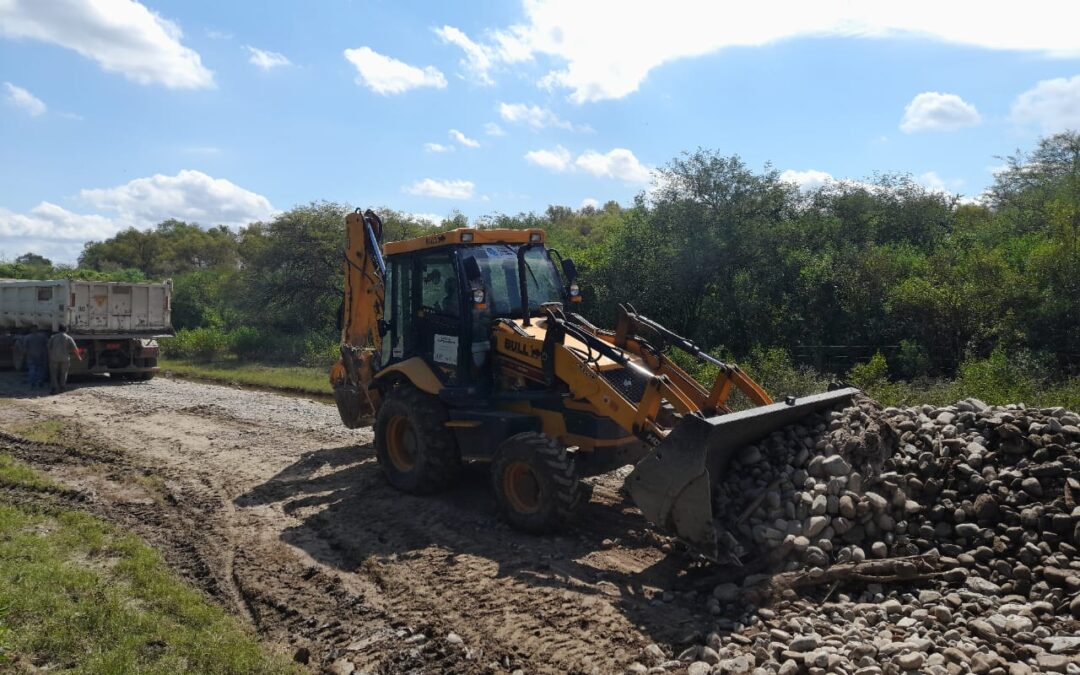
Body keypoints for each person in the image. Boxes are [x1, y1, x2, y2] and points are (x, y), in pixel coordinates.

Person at [48, 325, 82, 394]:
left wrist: (50, 356)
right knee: (64, 373)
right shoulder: (69, 338)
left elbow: (49, 347)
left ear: (58, 330)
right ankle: (62, 387)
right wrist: (78, 356)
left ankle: (54, 388)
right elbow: (75, 348)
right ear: (66, 330)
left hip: (54, 358)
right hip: (65, 358)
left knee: (54, 373)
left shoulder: (53, 337)